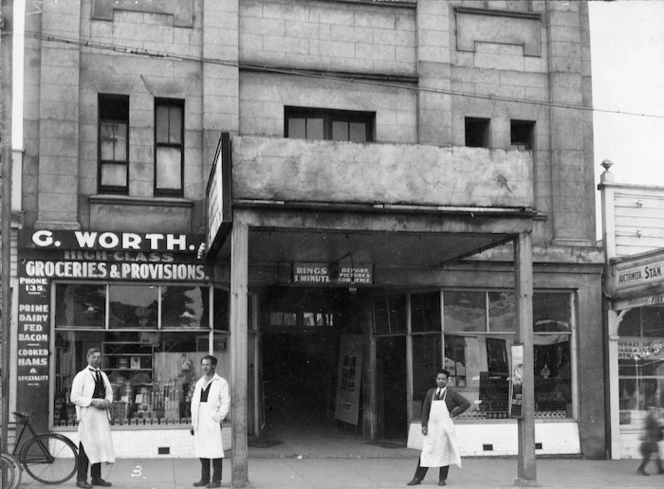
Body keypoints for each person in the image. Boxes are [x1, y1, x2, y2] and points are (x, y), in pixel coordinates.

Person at [407, 369, 470, 487]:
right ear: (436, 380)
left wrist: (454, 413)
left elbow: (466, 403)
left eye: (443, 379)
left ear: (447, 381)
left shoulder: (452, 394)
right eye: (439, 379)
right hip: (432, 428)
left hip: (444, 429)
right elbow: (425, 410)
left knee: (444, 453)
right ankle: (417, 478)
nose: (441, 381)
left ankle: (442, 479)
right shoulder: (431, 393)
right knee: (426, 452)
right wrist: (424, 425)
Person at [70, 347, 115, 488]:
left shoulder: (103, 375)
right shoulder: (81, 376)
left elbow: (109, 392)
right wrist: (92, 402)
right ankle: (81, 479)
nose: (96, 359)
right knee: (85, 446)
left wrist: (108, 401)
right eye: (93, 357)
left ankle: (96, 477)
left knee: (99, 445)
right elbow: (74, 397)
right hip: (88, 414)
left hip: (101, 415)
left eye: (98, 357)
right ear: (87, 358)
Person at [190, 355, 231, 488]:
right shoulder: (199, 382)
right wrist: (193, 423)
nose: (205, 367)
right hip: (200, 419)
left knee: (215, 450)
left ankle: (216, 480)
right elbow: (194, 404)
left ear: (214, 365)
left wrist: (218, 417)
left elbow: (226, 402)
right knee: (203, 450)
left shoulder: (221, 382)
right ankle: (205, 479)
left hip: (212, 418)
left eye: (207, 365)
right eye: (203, 365)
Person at [636, 406, 664, 476]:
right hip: (649, 441)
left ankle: (660, 469)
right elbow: (655, 426)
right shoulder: (650, 419)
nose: (655, 413)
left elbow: (658, 426)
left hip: (652, 440)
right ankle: (640, 469)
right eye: (654, 411)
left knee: (656, 455)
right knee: (648, 456)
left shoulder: (651, 419)